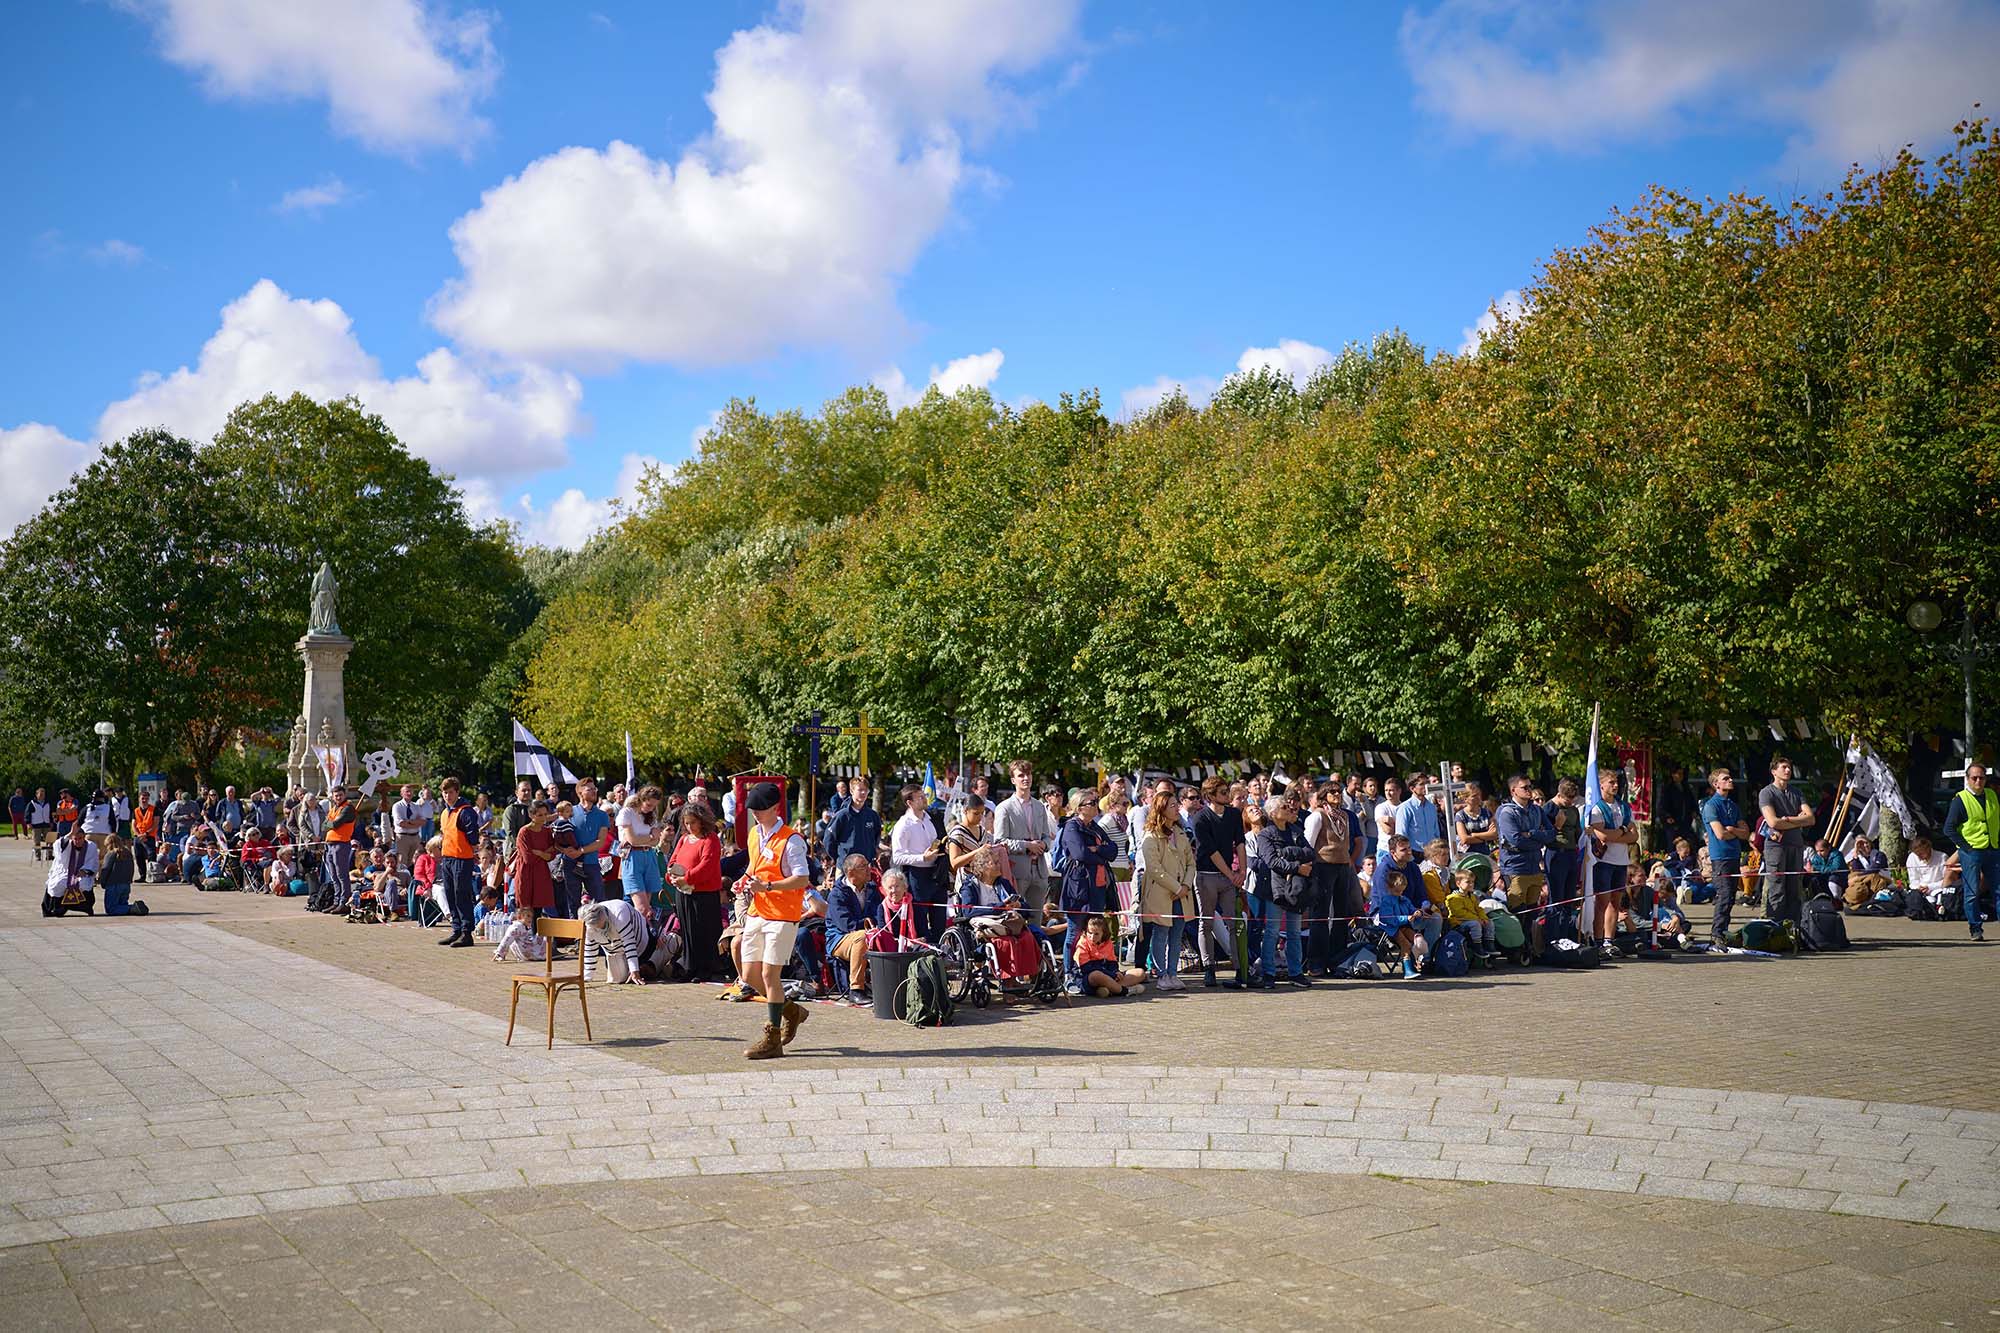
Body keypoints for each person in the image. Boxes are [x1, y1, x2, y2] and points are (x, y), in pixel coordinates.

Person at [735, 782, 812, 1060]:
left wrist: (767, 886)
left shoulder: (792, 840)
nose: (755, 813)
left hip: (782, 915)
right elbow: (753, 867)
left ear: (776, 808)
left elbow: (802, 878)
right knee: (748, 975)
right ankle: (791, 1010)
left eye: (761, 809)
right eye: (753, 809)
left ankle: (772, 1038)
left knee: (769, 975)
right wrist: (743, 881)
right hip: (758, 910)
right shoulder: (754, 834)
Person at [1056, 787, 1119, 995]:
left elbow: (1113, 850)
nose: (1096, 805)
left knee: (1094, 930)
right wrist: (1100, 854)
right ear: (1080, 807)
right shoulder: (1072, 827)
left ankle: (1090, 970)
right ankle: (1069, 975)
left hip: (1097, 888)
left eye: (1095, 801)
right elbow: (1079, 853)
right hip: (1078, 888)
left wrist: (1097, 849)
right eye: (1092, 802)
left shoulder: (1095, 827)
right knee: (1074, 932)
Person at [1188, 777, 1246, 989]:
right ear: (1210, 796)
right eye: (1222, 792)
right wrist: (1231, 874)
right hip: (1207, 876)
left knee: (1233, 923)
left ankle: (1240, 968)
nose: (1227, 795)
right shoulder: (1200, 818)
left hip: (1229, 876)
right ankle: (1209, 967)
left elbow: (1240, 842)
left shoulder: (1233, 814)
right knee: (1206, 923)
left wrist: (1243, 871)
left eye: (1226, 791)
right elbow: (1211, 851)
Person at [1252, 791, 1313, 988]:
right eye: (1284, 807)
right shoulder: (1265, 834)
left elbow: (1309, 852)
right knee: (1272, 931)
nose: (1289, 809)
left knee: (1294, 932)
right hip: (1274, 887)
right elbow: (1271, 861)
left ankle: (1296, 973)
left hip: (1295, 887)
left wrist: (1287, 852)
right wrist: (1297, 867)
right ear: (1272, 813)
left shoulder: (1295, 830)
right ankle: (1268, 973)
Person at [1136, 787, 1195, 989]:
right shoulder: (1151, 836)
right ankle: (1161, 975)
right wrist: (1177, 888)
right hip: (1162, 894)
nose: (1177, 808)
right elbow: (1154, 869)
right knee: (1160, 934)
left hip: (1182, 894)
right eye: (1172, 805)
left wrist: (1185, 885)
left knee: (1177, 935)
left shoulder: (1180, 833)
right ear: (1161, 809)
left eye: (1177, 804)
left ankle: (1173, 973)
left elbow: (1190, 863)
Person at [1757, 756, 1815, 930]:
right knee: (1776, 887)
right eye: (1783, 767)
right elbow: (1773, 822)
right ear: (1774, 771)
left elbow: (1811, 819)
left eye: (1789, 767)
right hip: (1776, 847)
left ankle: (1793, 928)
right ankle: (1775, 927)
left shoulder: (1796, 792)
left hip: (1796, 845)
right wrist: (1798, 820)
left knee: (1794, 888)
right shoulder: (1766, 793)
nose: (1788, 770)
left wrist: (1788, 820)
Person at [668, 803, 724, 981]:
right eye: (686, 823)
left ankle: (706, 968)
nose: (689, 826)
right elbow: (673, 859)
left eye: (693, 822)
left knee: (704, 931)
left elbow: (707, 866)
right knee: (687, 930)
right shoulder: (684, 839)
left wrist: (687, 878)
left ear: (702, 821)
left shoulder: (711, 839)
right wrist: (671, 875)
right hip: (683, 892)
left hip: (704, 894)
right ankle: (689, 966)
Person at [994, 760, 1056, 913]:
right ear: (1013, 780)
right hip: (1017, 871)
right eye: (1021, 775)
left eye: (1028, 774)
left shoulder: (1039, 806)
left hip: (1040, 871)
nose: (1026, 778)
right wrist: (1027, 846)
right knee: (1015, 917)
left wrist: (1043, 845)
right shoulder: (1004, 807)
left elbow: (1046, 836)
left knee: (1036, 917)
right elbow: (1000, 842)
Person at [1945, 762, 1997, 942]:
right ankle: (1975, 928)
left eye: (1981, 778)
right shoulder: (1960, 800)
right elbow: (1948, 828)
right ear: (1967, 779)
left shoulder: (1992, 795)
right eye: (1974, 778)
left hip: (1993, 849)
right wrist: (1966, 847)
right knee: (1972, 892)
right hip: (1972, 852)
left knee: (1998, 890)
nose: (1978, 781)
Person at [1586, 770, 1637, 949]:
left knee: (1616, 902)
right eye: (1611, 782)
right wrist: (1623, 830)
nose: (1615, 785)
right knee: (1602, 902)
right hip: (1604, 862)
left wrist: (1616, 834)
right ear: (1601, 785)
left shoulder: (1623, 806)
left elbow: (1634, 836)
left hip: (1621, 861)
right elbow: (1602, 836)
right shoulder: (1597, 807)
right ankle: (1598, 941)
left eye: (1616, 782)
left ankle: (1609, 940)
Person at [889, 783, 946, 940]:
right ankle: (924, 951)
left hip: (937, 872)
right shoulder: (903, 825)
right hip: (917, 875)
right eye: (920, 797)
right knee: (920, 919)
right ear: (910, 802)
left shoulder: (932, 818)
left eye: (924, 795)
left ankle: (940, 947)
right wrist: (922, 858)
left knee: (940, 918)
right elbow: (898, 856)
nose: (924, 799)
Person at [436, 777, 482, 947]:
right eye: (445, 792)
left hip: (462, 859)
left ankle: (466, 933)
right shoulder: (444, 813)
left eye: (450, 792)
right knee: (450, 894)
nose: (447, 796)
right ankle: (456, 930)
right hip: (447, 858)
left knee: (461, 895)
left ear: (457, 792)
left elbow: (473, 836)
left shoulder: (465, 811)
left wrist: (473, 849)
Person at [1496, 775, 1553, 914]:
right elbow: (1516, 840)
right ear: (1513, 790)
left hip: (1535, 868)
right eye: (1524, 787)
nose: (1529, 790)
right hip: (1515, 868)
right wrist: (1540, 842)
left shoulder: (1537, 810)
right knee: (1518, 912)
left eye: (1530, 786)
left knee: (1532, 912)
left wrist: (1532, 834)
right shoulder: (1506, 812)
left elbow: (1551, 834)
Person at [825, 853, 877, 1004]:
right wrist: (865, 923)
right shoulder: (837, 894)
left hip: (870, 934)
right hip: (838, 939)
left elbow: (879, 914)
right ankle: (856, 989)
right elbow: (846, 925)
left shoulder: (872, 890)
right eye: (863, 866)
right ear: (851, 872)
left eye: (868, 865)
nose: (869, 869)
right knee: (861, 937)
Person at [618, 787, 667, 925]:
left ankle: (641, 933)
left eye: (654, 806)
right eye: (649, 804)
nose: (651, 808)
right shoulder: (627, 812)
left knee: (646, 908)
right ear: (641, 799)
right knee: (642, 909)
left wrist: (648, 839)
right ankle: (639, 934)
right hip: (632, 857)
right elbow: (633, 840)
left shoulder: (651, 815)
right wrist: (650, 837)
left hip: (649, 856)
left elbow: (656, 841)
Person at [1372, 866, 1430, 979]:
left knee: (1418, 940)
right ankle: (1408, 971)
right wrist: (1405, 918)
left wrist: (1418, 912)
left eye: (1402, 891)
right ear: (1389, 888)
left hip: (1403, 926)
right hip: (1390, 929)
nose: (1400, 893)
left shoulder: (1404, 899)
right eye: (1397, 891)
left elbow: (1411, 909)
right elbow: (1387, 919)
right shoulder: (1386, 901)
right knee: (1406, 944)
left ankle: (1416, 963)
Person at [1073, 913, 1146, 997]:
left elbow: (1112, 962)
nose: (1092, 937)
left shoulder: (1108, 943)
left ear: (1103, 933)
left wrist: (1115, 971)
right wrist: (1111, 974)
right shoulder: (1082, 943)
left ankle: (1109, 989)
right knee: (1096, 975)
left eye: (1096, 934)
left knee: (1140, 972)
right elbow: (1086, 968)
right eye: (1090, 933)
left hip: (1109, 975)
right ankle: (1125, 991)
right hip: (1088, 978)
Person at [567, 777, 613, 908]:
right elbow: (559, 836)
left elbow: (600, 841)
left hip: (591, 863)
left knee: (600, 903)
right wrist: (566, 851)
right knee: (573, 904)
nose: (594, 791)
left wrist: (580, 851)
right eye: (590, 789)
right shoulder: (569, 812)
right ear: (580, 793)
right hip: (570, 863)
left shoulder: (602, 815)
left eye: (595, 789)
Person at [823, 777, 883, 876]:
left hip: (865, 867)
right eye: (860, 790)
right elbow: (829, 840)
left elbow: (876, 837)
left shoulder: (872, 815)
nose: (863, 793)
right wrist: (840, 858)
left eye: (866, 790)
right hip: (845, 867)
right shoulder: (842, 815)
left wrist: (871, 853)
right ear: (851, 791)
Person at [514, 800, 558, 923]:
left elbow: (552, 854)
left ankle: (535, 934)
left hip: (541, 873)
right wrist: (545, 853)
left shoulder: (547, 831)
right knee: (525, 909)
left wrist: (539, 852)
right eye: (540, 815)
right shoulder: (524, 832)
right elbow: (528, 858)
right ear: (531, 815)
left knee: (538, 909)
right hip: (526, 873)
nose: (543, 818)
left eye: (545, 814)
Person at [1445, 867, 1497, 963]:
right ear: (1458, 883)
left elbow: (1478, 909)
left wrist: (1483, 918)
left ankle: (1489, 944)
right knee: (1475, 924)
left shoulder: (1472, 896)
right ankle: (1477, 945)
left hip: (1472, 920)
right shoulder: (1453, 898)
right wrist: (1477, 919)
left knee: (1490, 922)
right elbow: (1460, 913)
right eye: (1468, 882)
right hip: (1459, 923)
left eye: (1472, 882)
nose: (1471, 884)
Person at [45, 822, 99, 915]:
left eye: (80, 838)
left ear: (84, 837)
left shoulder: (91, 846)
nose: (78, 841)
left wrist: (85, 871)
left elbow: (93, 862)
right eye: (75, 839)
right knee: (57, 884)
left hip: (82, 873)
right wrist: (70, 833)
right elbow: (58, 846)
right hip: (65, 872)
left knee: (84, 884)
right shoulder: (67, 844)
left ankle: (85, 907)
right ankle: (58, 908)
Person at [1906, 835, 1960, 919]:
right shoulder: (1912, 858)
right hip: (1920, 891)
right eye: (1917, 854)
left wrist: (1930, 887)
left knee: (1940, 898)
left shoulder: (1942, 857)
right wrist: (1919, 888)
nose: (1919, 857)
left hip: (1937, 889)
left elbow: (1946, 880)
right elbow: (1913, 879)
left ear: (1928, 848)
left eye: (1921, 853)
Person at [323, 787, 358, 902]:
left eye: (340, 795)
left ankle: (344, 900)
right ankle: (337, 900)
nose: (338, 797)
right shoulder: (334, 809)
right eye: (336, 796)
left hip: (341, 844)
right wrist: (330, 823)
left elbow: (335, 824)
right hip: (330, 844)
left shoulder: (348, 808)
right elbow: (324, 825)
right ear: (333, 797)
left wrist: (330, 823)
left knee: (341, 875)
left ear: (345, 795)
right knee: (334, 875)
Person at [1395, 773, 1445, 851]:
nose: (1426, 786)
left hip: (1432, 851)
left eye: (1427, 783)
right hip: (1414, 852)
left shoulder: (1431, 807)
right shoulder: (1405, 808)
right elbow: (1401, 835)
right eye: (1422, 784)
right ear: (1412, 789)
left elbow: (1436, 831)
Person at [1844, 835, 1892, 910]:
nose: (1865, 845)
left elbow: (1874, 869)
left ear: (1870, 843)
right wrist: (1855, 854)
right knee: (1853, 876)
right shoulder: (1859, 857)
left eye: (1866, 843)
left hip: (1880, 881)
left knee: (1865, 877)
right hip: (1865, 882)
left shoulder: (1879, 855)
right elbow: (1856, 870)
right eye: (1861, 844)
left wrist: (1857, 877)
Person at [28, 787, 53, 861]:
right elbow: (27, 814)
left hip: (46, 824)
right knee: (37, 842)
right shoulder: (32, 803)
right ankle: (38, 856)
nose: (42, 795)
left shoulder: (48, 803)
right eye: (40, 794)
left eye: (43, 794)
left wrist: (51, 822)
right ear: (36, 794)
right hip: (36, 825)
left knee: (49, 841)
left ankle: (49, 855)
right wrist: (28, 823)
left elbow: (50, 813)